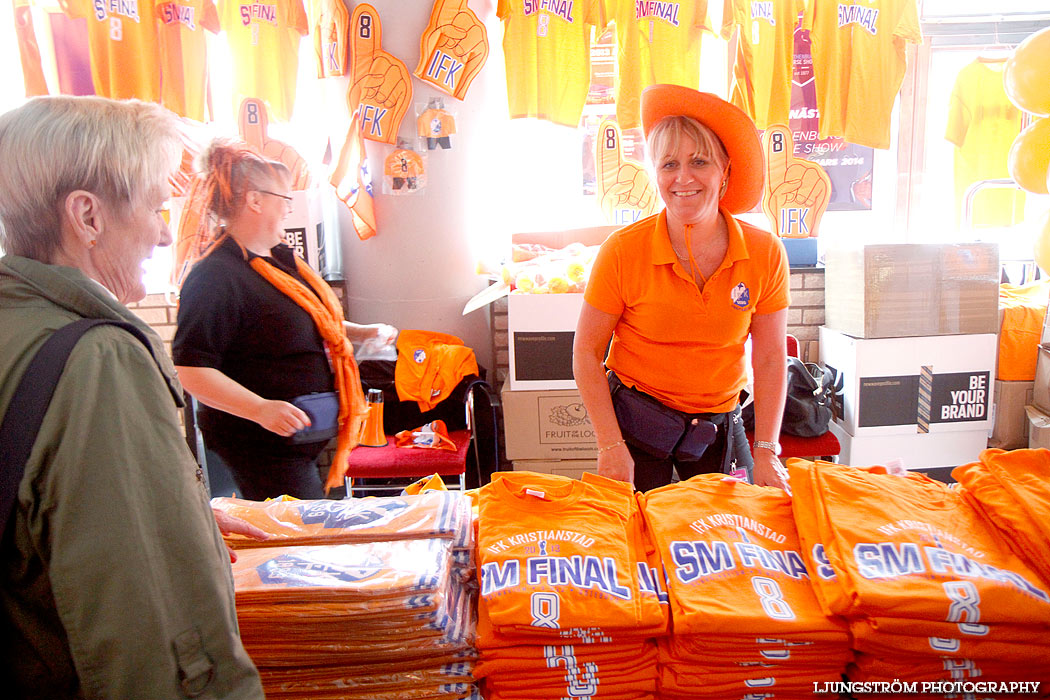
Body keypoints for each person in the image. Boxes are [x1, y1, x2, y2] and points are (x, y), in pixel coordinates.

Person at [0, 97, 264, 698]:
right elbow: (154, 625)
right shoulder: (95, 361)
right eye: (155, 205)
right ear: (87, 216)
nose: (166, 231)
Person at [573, 84, 791, 493]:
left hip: (719, 423)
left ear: (726, 170)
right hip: (637, 422)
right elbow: (585, 353)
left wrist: (767, 451)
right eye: (669, 164)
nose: (683, 178)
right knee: (637, 538)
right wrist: (610, 445)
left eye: (699, 161)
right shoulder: (621, 251)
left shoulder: (765, 253)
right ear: (655, 173)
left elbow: (769, 359)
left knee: (733, 533)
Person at [173, 139, 395, 500]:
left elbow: (311, 321)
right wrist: (259, 409)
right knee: (300, 539)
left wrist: (363, 332)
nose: (290, 210)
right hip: (260, 447)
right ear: (255, 201)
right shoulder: (215, 276)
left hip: (297, 442)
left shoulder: (279, 260)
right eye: (285, 200)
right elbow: (192, 370)